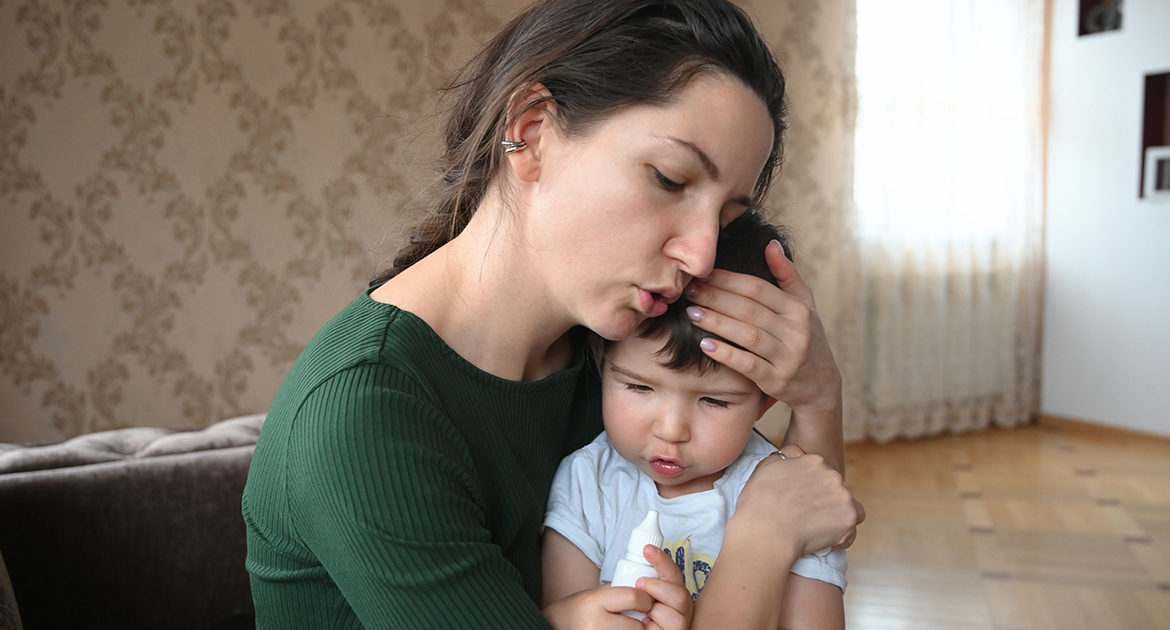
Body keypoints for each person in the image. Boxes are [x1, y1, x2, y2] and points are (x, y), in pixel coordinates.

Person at [241, 0, 863, 628]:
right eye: (670, 180)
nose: (702, 254)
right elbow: (777, 524)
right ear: (534, 133)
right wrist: (762, 539)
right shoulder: (364, 413)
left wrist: (816, 398)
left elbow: (806, 539)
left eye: (726, 217)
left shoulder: (617, 354)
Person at [542, 212, 847, 630]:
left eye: (715, 401)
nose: (671, 430)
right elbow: (567, 608)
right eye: (640, 389)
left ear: (764, 400)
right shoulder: (588, 482)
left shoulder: (788, 496)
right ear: (602, 363)